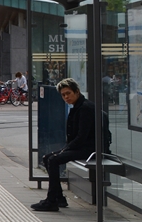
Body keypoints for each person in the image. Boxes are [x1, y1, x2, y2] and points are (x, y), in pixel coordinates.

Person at [32, 78, 97, 212]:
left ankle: (52, 201)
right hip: (82, 147)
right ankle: (59, 198)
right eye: (63, 95)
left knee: (53, 160)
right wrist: (66, 149)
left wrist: (65, 149)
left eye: (68, 93)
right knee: (47, 158)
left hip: (90, 149)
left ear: (77, 92)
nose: (66, 97)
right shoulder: (78, 107)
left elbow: (82, 136)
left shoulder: (85, 108)